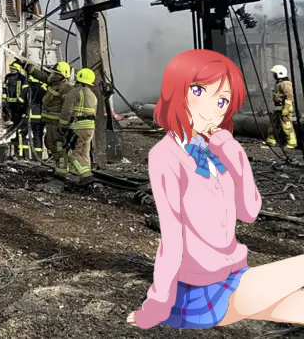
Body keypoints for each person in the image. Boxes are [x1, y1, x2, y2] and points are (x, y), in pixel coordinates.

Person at [128, 49, 304, 330]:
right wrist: (156, 306)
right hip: (202, 291)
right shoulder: (166, 156)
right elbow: (171, 240)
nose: (214, 109)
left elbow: (249, 212)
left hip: (235, 273)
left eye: (223, 100)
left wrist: (236, 158)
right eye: (199, 91)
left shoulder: (217, 152)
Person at [23, 60, 73, 178]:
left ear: (63, 75)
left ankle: (62, 171)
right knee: (50, 144)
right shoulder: (53, 83)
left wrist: (64, 124)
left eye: (56, 73)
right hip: (49, 123)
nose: (53, 75)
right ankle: (62, 167)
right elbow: (41, 75)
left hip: (57, 124)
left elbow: (68, 108)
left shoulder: (66, 88)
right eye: (53, 73)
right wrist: (27, 67)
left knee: (59, 147)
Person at [60, 68, 98, 183]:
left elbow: (67, 110)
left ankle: (86, 175)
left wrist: (63, 125)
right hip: (90, 128)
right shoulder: (92, 95)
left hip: (78, 127)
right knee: (84, 153)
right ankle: (86, 177)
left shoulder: (75, 92)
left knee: (73, 153)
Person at [2, 61, 30, 158]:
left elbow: (24, 91)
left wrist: (21, 101)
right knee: (15, 124)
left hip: (19, 106)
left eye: (13, 68)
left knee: (20, 127)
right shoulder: (7, 77)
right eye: (11, 68)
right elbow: (4, 88)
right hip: (11, 105)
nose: (11, 70)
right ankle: (17, 145)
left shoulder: (22, 78)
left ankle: (21, 153)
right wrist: (4, 100)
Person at [267, 65, 297, 150]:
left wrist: (286, 109)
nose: (274, 75)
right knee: (273, 124)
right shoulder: (279, 83)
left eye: (275, 73)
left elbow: (289, 97)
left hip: (284, 108)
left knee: (287, 126)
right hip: (278, 108)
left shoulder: (286, 84)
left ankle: (292, 143)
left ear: (280, 74)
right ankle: (271, 140)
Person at [27, 73, 47, 159]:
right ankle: (38, 157)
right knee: (38, 136)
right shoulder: (42, 89)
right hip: (40, 117)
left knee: (28, 136)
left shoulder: (28, 88)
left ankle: (29, 156)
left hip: (30, 116)